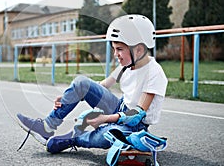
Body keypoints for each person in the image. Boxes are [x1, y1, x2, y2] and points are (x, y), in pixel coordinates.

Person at [17, 14, 168, 154]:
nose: (115, 55)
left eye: (119, 49)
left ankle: (73, 139)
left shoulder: (154, 73)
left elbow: (136, 115)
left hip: (135, 125)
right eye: (114, 49)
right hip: (119, 107)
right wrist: (67, 97)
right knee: (81, 82)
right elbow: (100, 86)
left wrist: (105, 119)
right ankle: (47, 126)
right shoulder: (127, 65)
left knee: (107, 134)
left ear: (139, 49)